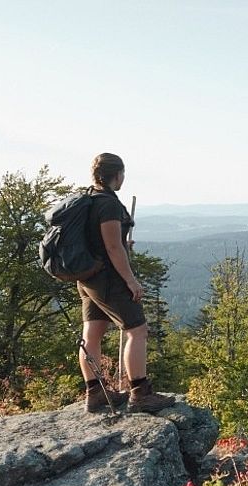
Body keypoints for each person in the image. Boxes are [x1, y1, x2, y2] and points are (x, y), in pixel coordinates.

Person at [78, 152, 174, 413]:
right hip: (109, 278)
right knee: (137, 330)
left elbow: (102, 240)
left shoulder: (87, 200)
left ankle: (95, 393)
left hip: (88, 278)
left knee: (93, 333)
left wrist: (121, 243)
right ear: (117, 174)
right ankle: (140, 394)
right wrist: (131, 280)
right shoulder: (108, 204)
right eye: (123, 174)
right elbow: (111, 246)